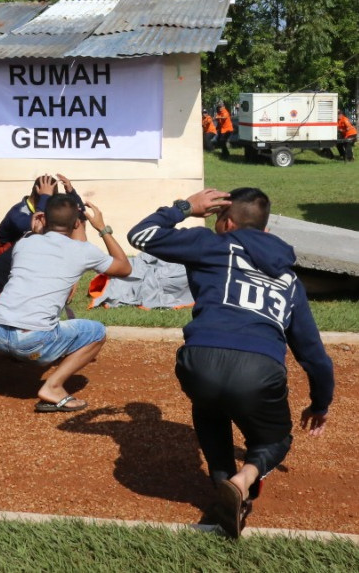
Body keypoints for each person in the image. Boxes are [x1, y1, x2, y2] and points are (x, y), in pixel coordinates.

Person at [127, 187, 334, 538]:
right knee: (276, 441)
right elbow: (313, 355)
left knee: (209, 410)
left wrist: (185, 208)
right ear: (266, 230)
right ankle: (244, 480)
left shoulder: (211, 242)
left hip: (199, 359)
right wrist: (320, 403)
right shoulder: (290, 279)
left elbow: (141, 235)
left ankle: (224, 488)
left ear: (225, 222)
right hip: (260, 367)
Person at [0, 192, 131, 411]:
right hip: (31, 342)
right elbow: (124, 268)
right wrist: (102, 228)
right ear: (76, 223)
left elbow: (40, 247)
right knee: (97, 332)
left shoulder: (24, 243)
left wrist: (35, 230)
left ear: (43, 219)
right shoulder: (83, 251)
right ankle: (52, 387)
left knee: (13, 310)